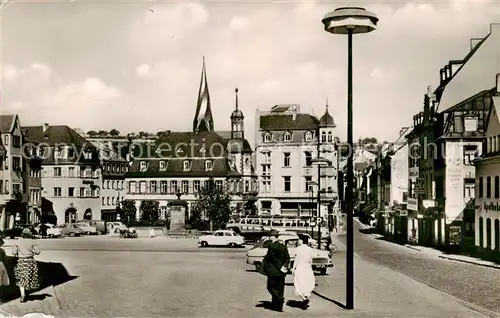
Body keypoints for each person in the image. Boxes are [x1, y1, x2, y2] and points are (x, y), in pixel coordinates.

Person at [261, 230, 290, 312]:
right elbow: (287, 258)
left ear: (272, 236)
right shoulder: (283, 246)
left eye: (270, 236)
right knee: (280, 288)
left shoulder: (271, 246)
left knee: (270, 287)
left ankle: (279, 299)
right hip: (282, 271)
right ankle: (277, 306)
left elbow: (268, 258)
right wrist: (284, 267)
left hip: (273, 271)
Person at [13, 229, 41, 302]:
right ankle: (27, 292)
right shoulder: (33, 241)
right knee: (29, 277)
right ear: (29, 234)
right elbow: (38, 252)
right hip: (30, 261)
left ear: (22, 234)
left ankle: (22, 295)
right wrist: (32, 252)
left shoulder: (18, 241)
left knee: (21, 278)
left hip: (21, 261)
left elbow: (13, 252)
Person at [292, 236, 316, 309]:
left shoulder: (298, 249)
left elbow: (296, 259)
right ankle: (306, 300)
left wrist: (293, 268)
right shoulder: (310, 249)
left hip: (300, 267)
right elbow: (311, 260)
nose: (298, 241)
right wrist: (309, 268)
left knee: (298, 283)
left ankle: (304, 299)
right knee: (307, 283)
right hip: (307, 267)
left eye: (299, 240)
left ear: (302, 241)